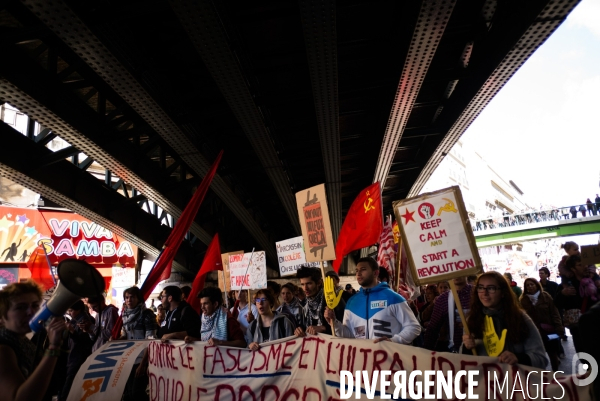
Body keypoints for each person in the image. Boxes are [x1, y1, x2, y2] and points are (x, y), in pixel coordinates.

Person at [462, 272, 548, 369]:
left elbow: (541, 359)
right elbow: (466, 364)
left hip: (517, 382)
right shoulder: (472, 320)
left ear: (503, 293)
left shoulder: (520, 318)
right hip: (487, 382)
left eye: (491, 288)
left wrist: (518, 358)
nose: (484, 293)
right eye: (480, 287)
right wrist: (467, 348)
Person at [324, 257, 420, 344]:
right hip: (362, 359)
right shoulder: (351, 302)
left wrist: (393, 341)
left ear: (376, 273)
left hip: (388, 360)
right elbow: (350, 335)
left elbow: (413, 327)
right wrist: (334, 323)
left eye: (363, 269)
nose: (358, 273)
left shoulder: (393, 298)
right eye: (357, 270)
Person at [0, 280, 67, 401]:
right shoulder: (3, 348)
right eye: (21, 307)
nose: (31, 312)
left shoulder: (20, 339)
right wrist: (53, 348)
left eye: (35, 305)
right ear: (3, 316)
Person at [554, 254, 599, 353]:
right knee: (585, 357)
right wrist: (563, 294)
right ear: (573, 269)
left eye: (585, 264)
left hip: (596, 325)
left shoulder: (595, 280)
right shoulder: (566, 285)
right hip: (579, 330)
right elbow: (557, 304)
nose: (585, 266)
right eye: (580, 264)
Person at [120, 287, 157, 401]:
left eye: (132, 297)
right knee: (128, 393)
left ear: (138, 299)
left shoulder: (147, 315)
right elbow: (124, 335)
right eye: (126, 297)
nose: (129, 300)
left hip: (141, 359)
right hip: (128, 359)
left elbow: (150, 341)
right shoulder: (124, 315)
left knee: (137, 393)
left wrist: (143, 364)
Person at [519, 278, 564, 371]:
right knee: (538, 355)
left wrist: (559, 327)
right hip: (533, 332)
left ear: (537, 285)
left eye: (532, 284)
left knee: (552, 353)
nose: (530, 287)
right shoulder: (523, 300)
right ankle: (542, 376)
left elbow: (554, 313)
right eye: (528, 285)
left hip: (548, 330)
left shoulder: (546, 296)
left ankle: (556, 373)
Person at [424, 276, 472, 352]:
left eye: (458, 267)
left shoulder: (479, 293)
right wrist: (426, 353)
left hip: (480, 350)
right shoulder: (442, 299)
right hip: (453, 351)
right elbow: (433, 329)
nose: (455, 273)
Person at [294, 266, 345, 336]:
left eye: (309, 283)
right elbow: (304, 326)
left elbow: (344, 329)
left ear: (319, 283)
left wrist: (324, 328)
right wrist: (299, 330)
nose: (305, 288)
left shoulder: (331, 299)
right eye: (302, 284)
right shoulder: (305, 303)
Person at [60, 300, 95, 401]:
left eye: (71, 310)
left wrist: (72, 331)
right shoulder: (75, 320)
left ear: (79, 310)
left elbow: (84, 342)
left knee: (69, 387)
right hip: (73, 356)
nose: (70, 313)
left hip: (79, 358)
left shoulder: (85, 321)